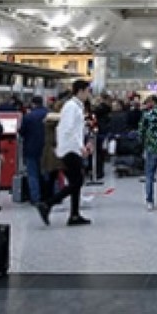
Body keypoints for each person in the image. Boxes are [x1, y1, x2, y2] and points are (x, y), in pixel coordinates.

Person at [38, 80, 93, 227]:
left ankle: (74, 214)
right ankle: (48, 204)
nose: (89, 94)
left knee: (76, 181)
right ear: (80, 91)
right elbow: (68, 129)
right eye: (87, 91)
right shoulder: (71, 107)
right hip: (70, 149)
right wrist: (80, 146)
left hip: (71, 148)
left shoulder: (76, 107)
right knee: (77, 181)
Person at [18, 95, 48, 206]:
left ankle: (35, 198)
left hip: (30, 148)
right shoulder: (49, 114)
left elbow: (21, 132)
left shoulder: (28, 117)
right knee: (46, 173)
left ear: (33, 104)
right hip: (46, 148)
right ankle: (48, 195)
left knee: (32, 174)